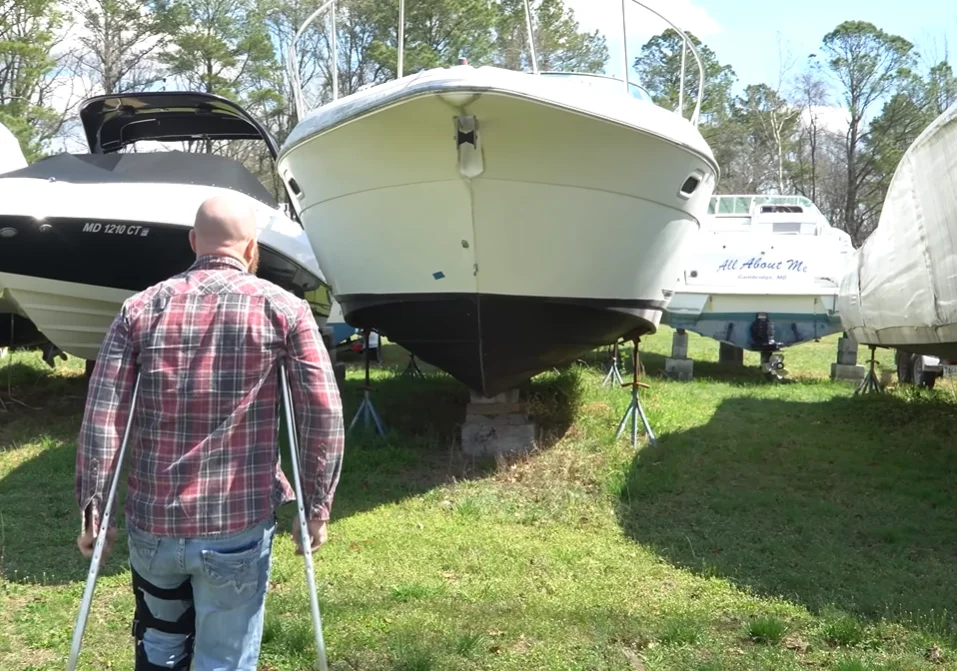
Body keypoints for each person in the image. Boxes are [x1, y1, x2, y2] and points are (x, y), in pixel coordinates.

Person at [75, 194, 344, 671]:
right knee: (224, 658)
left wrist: (94, 508)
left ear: (194, 242)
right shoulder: (286, 309)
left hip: (153, 523)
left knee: (159, 644)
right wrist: (316, 506)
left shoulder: (139, 308)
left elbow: (103, 415)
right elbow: (320, 414)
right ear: (252, 247)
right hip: (236, 525)